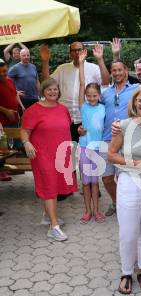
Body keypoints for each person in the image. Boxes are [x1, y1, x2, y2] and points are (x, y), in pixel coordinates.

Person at [108, 84, 141, 294]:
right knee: (129, 232)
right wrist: (134, 164)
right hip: (129, 181)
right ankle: (126, 271)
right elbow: (111, 154)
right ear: (134, 103)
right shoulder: (122, 125)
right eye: (140, 100)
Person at [20, 78, 77, 241]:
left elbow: (66, 128)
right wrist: (27, 143)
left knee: (56, 184)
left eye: (55, 89)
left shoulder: (63, 109)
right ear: (43, 91)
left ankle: (47, 216)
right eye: (49, 89)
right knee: (49, 185)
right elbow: (24, 131)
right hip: (42, 155)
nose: (53, 92)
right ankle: (54, 226)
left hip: (61, 153)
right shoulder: (33, 110)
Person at [40, 42, 110, 142]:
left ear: (84, 51)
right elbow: (46, 83)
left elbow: (106, 82)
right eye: (74, 50)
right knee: (65, 150)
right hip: (64, 118)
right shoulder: (62, 69)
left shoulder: (93, 68)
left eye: (79, 49)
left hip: (85, 119)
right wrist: (45, 62)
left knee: (83, 151)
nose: (77, 52)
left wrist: (100, 59)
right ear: (70, 53)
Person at [99, 60, 139, 217]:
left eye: (119, 70)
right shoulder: (105, 93)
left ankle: (126, 207)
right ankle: (116, 202)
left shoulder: (136, 89)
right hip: (106, 139)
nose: (117, 73)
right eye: (114, 70)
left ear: (126, 71)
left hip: (126, 140)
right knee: (107, 179)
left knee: (123, 178)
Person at [77, 50, 106, 224]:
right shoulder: (84, 106)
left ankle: (96, 210)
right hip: (84, 148)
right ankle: (87, 210)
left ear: (100, 95)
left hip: (97, 149)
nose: (91, 98)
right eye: (89, 96)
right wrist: (81, 63)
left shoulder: (103, 107)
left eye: (94, 95)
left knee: (95, 183)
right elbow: (82, 84)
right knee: (86, 183)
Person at [0, 58, 24, 181]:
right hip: (2, 121)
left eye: (5, 71)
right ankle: (2, 171)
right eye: (1, 72)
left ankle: (11, 167)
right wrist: (5, 111)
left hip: (14, 118)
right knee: (3, 146)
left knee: (14, 144)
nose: (4, 74)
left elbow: (14, 94)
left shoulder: (9, 81)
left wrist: (19, 108)